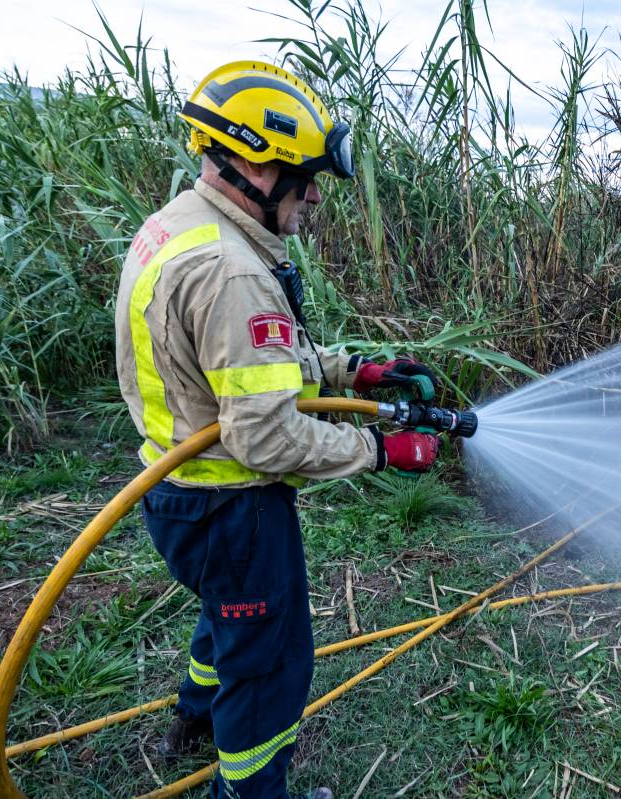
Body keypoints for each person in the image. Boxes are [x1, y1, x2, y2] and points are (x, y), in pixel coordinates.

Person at [115, 61, 438, 799]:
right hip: (234, 505)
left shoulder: (178, 226)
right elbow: (266, 437)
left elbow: (242, 365)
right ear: (256, 166)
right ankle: (252, 788)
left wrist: (354, 370)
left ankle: (194, 717)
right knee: (269, 662)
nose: (316, 196)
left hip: (176, 491)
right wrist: (380, 448)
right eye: (306, 176)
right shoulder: (234, 273)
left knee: (225, 620)